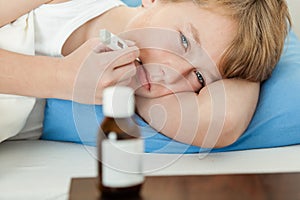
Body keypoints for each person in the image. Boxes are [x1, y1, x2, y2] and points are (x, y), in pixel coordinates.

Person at [0, 0, 290, 148]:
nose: (172, 75)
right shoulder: (61, 4)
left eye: (200, 78)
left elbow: (221, 121)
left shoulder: (158, 89)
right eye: (184, 41)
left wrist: (250, 66)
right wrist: (61, 77)